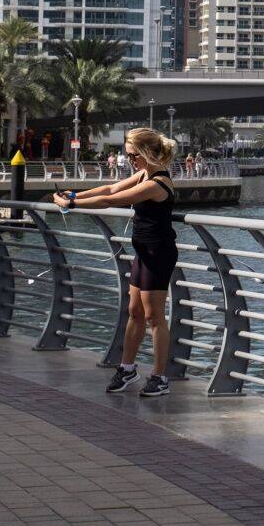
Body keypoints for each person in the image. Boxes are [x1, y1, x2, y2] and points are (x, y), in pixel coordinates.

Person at [56, 127, 179, 398]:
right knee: (134, 311)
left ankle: (160, 377)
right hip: (142, 252)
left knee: (153, 316)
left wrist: (73, 206)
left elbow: (112, 200)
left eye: (133, 155)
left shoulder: (156, 183)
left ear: (146, 153)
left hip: (158, 253)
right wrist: (75, 196)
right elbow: (109, 187)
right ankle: (127, 368)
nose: (130, 161)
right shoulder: (143, 174)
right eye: (128, 156)